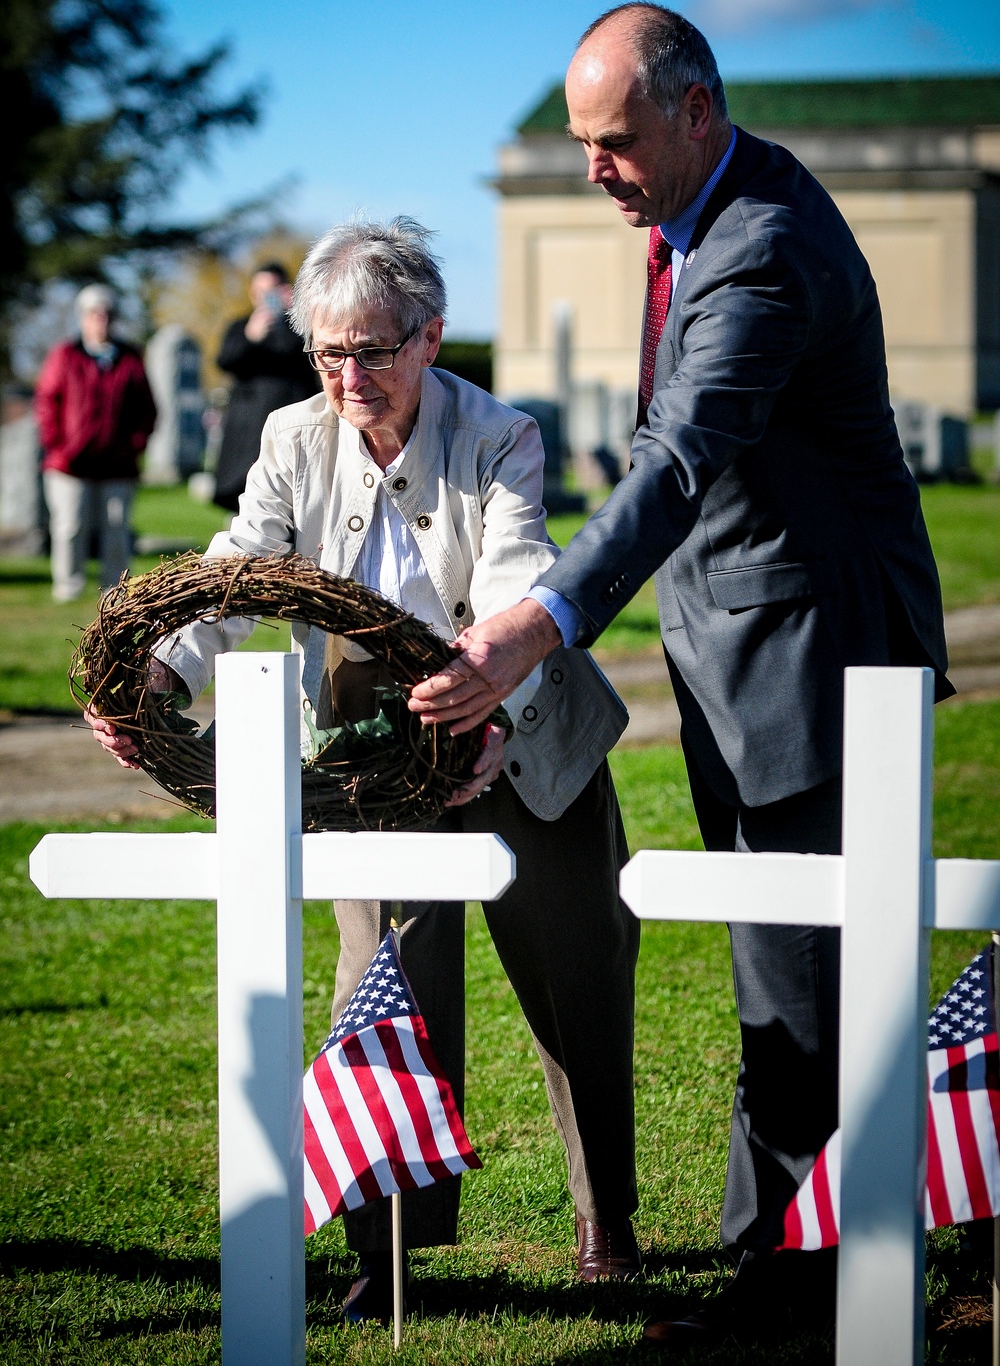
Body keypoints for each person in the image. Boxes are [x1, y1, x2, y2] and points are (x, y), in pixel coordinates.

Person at [408, 4, 952, 1344]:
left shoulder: (759, 245)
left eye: (615, 140)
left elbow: (681, 459)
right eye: (584, 141)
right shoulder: (703, 214)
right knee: (785, 971)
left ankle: (798, 1281)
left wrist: (538, 621)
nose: (592, 166)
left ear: (697, 110)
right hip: (748, 647)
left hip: (817, 658)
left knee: (809, 976)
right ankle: (776, 1260)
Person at [88, 217, 641, 1324]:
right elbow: (241, 567)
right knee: (384, 986)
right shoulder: (294, 438)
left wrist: (493, 689)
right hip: (366, 754)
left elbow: (517, 569)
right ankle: (387, 1246)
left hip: (520, 725)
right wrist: (160, 675)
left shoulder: (500, 434)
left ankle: (605, 1225)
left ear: (430, 338)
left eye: (374, 350)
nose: (350, 376)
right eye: (328, 352)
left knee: (574, 972)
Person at [35, 283, 157, 602]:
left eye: (106, 314)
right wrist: (58, 444)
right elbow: (47, 401)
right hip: (69, 463)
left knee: (116, 529)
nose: (100, 320)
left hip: (117, 463)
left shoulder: (129, 358)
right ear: (82, 318)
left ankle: (114, 590)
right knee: (70, 527)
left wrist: (134, 444)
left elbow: (147, 408)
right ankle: (68, 585)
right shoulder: (64, 355)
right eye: (93, 313)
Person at [212, 260, 321, 510]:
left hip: (293, 426)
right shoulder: (241, 327)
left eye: (272, 291)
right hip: (248, 430)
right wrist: (250, 337)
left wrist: (297, 314)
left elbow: (312, 357)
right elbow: (225, 361)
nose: (266, 299)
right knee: (245, 503)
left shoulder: (302, 327)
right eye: (261, 292)